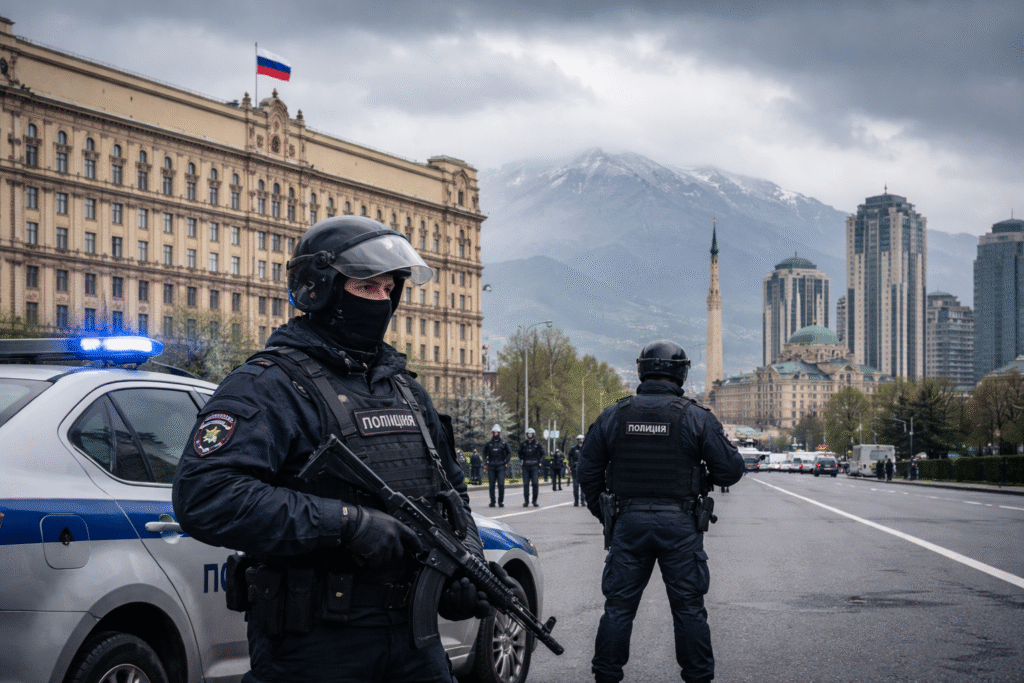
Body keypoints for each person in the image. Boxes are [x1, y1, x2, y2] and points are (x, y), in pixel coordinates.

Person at [172, 216, 490, 683]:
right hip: (315, 644)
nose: (382, 300)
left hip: (412, 643)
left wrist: (465, 564)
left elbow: (452, 493)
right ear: (320, 289)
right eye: (366, 286)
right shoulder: (270, 384)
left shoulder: (404, 391)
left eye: (389, 288)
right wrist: (346, 525)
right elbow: (206, 495)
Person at [578, 340, 744, 683]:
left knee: (618, 608)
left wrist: (607, 514)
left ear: (642, 370)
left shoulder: (614, 414)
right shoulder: (696, 417)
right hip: (680, 525)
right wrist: (700, 477)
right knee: (688, 609)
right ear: (681, 372)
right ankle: (698, 677)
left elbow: (587, 471)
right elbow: (731, 470)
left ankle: (606, 676)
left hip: (628, 522)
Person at [483, 424, 512, 507]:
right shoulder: (489, 444)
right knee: (491, 484)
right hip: (491, 465)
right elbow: (484, 452)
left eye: (497, 433)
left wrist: (506, 461)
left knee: (501, 484)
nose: (496, 434)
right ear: (493, 433)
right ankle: (492, 501)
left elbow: (509, 452)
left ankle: (500, 501)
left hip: (501, 466)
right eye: (494, 433)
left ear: (499, 433)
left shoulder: (503, 443)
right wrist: (485, 461)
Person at [519, 427, 545, 507]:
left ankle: (534, 501)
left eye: (531, 434)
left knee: (535, 483)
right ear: (527, 435)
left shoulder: (537, 444)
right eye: (528, 434)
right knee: (526, 484)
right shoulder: (523, 444)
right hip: (526, 466)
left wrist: (540, 461)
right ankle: (526, 501)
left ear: (533, 435)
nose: (530, 436)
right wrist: (522, 460)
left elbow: (543, 453)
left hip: (535, 465)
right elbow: (519, 453)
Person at [568, 434, 587, 506]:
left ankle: (583, 500)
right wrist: (571, 465)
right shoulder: (573, 449)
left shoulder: (586, 449)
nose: (580, 441)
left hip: (583, 470)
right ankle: (576, 501)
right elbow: (570, 458)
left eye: (581, 440)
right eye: (579, 440)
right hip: (575, 469)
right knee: (575, 486)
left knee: (583, 486)